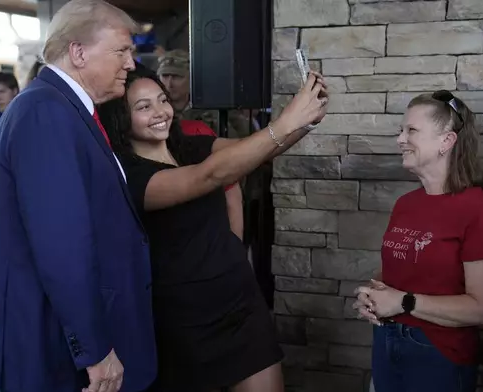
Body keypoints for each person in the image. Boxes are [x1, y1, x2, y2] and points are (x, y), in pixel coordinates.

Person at [96, 64, 328, 392]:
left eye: (162, 100)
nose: (161, 111)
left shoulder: (191, 148)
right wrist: (288, 119)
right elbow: (208, 176)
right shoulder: (129, 176)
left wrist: (306, 121)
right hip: (184, 319)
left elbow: (259, 152)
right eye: (143, 107)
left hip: (239, 302)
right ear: (121, 119)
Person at [0, 1, 157, 392]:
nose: (131, 64)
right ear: (78, 52)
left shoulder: (61, 108)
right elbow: (62, 246)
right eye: (122, 50)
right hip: (52, 347)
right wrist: (96, 350)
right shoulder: (45, 113)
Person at [353, 91, 483, 392]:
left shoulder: (478, 210)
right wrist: (372, 294)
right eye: (401, 130)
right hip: (387, 341)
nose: (400, 139)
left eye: (411, 131)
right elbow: (400, 272)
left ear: (446, 142)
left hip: (439, 353)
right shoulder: (406, 204)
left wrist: (404, 302)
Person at [157, 49, 252, 138]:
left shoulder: (213, 107)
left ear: (192, 79)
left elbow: (241, 139)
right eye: (164, 76)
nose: (169, 84)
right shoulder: (155, 111)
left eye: (177, 77)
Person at [180, 119, 245, 239]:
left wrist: (236, 252)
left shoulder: (193, 131)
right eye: (144, 107)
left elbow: (231, 196)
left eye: (162, 100)